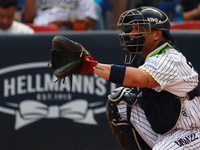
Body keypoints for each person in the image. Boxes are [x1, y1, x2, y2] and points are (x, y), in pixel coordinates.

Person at [77, 6, 200, 149]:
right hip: (167, 131)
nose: (132, 34)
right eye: (132, 29)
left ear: (157, 34)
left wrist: (92, 66)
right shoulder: (150, 58)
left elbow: (137, 78)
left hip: (192, 131)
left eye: (139, 29)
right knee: (121, 102)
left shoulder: (169, 58)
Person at [23, 0, 99, 31]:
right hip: (41, 34)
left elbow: (90, 23)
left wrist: (66, 23)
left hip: (70, 36)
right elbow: (28, 17)